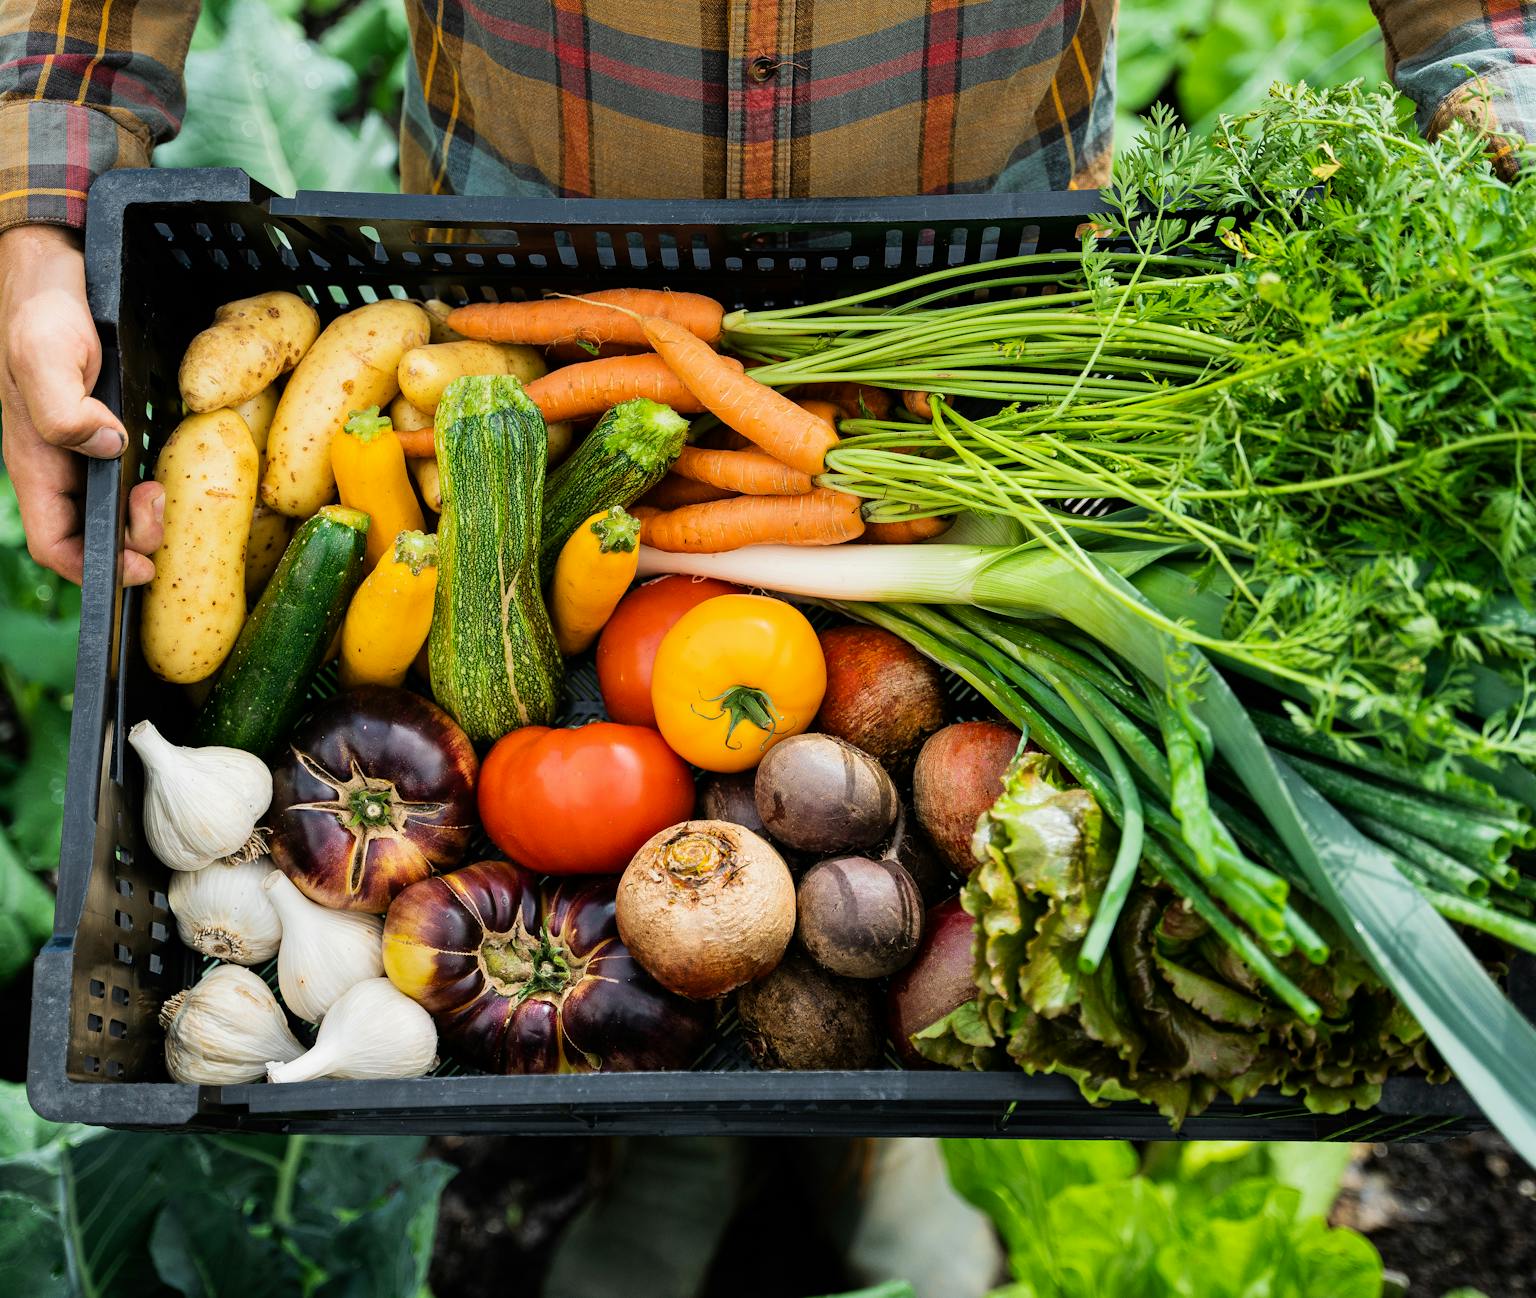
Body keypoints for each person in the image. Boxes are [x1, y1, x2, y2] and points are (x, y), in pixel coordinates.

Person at [1, 0, 1533, 584]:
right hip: (527, 237)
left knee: (925, 743)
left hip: (984, 254)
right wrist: (41, 200)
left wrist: (1492, 89)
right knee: (539, 668)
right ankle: (660, 1132)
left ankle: (864, 1133)